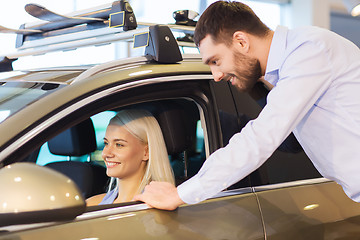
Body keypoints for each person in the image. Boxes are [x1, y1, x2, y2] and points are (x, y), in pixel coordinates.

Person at [134, 0, 360, 210]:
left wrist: (179, 195)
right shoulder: (288, 69)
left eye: (215, 61)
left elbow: (260, 138)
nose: (216, 75)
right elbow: (291, 142)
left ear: (241, 41)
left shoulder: (308, 51)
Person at [87, 109, 175, 205]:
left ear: (147, 152)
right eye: (106, 143)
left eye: (119, 145)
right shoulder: (91, 205)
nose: (106, 153)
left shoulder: (156, 208)